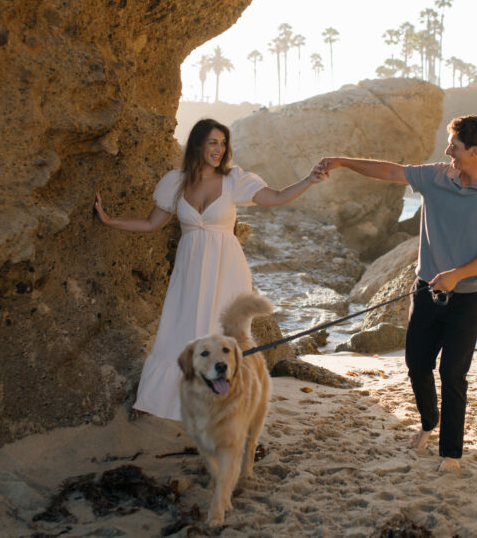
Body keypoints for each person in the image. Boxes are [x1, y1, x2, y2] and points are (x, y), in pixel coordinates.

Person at [319, 115, 477, 472]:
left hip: (468, 298)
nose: (447, 151)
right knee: (417, 366)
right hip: (425, 291)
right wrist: (343, 161)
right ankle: (429, 421)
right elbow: (391, 172)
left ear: (474, 151)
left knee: (453, 374)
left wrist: (456, 275)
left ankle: (451, 455)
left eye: (453, 146)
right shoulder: (438, 176)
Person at [95, 118, 326, 420]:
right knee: (180, 332)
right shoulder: (175, 183)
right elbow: (151, 223)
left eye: (223, 143)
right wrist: (110, 220)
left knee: (223, 337)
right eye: (213, 143)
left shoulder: (234, 181)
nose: (219, 150)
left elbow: (277, 197)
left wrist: (309, 179)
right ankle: (175, 406)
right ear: (197, 145)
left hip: (227, 269)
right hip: (189, 271)